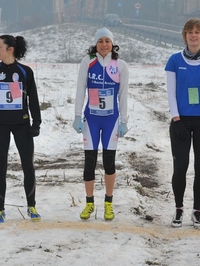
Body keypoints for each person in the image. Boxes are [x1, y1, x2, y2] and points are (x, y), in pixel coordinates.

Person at [0, 35, 42, 224]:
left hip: (22, 125)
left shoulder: (25, 71)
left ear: (9, 49)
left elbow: (33, 99)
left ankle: (31, 206)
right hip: (0, 126)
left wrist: (36, 122)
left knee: (28, 166)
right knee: (0, 168)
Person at [164, 18, 200, 228]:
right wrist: (176, 118)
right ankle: (179, 209)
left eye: (197, 32)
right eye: (190, 32)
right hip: (181, 121)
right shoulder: (174, 60)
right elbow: (171, 92)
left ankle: (197, 211)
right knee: (180, 166)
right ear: (185, 36)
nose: (194, 35)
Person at [73, 27, 129, 221]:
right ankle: (89, 204)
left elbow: (123, 95)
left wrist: (124, 120)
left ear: (112, 44)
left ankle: (108, 204)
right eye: (100, 41)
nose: (104, 44)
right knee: (89, 162)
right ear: (95, 44)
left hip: (111, 120)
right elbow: (81, 89)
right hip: (92, 119)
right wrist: (77, 115)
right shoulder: (88, 62)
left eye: (107, 41)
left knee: (109, 162)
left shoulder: (120, 65)